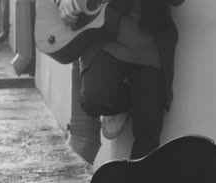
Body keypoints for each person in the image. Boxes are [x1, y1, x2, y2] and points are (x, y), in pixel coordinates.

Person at [58, 0, 185, 159]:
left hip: (152, 47)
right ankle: (129, 99)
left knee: (149, 132)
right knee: (93, 100)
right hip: (108, 37)